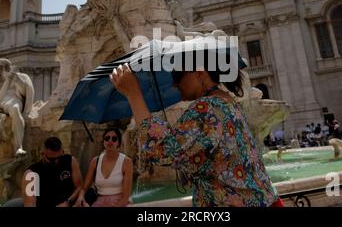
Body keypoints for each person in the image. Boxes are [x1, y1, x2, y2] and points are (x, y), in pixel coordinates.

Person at [109, 62, 283, 207]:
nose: (174, 84)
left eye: (178, 75)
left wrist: (134, 94)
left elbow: (161, 150)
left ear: (199, 73)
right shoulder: (227, 102)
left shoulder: (206, 108)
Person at [0, 58, 34, 156]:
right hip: (0, 104)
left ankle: (19, 147)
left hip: (14, 100)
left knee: (15, 110)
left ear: (3, 68)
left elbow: (26, 92)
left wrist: (16, 80)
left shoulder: (20, 76)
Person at [75, 128, 133, 207]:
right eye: (107, 138)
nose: (110, 141)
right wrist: (81, 197)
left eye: (114, 139)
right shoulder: (95, 161)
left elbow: (125, 197)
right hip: (99, 201)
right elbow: (84, 187)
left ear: (119, 143)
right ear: (103, 142)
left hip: (119, 202)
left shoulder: (126, 162)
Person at [22, 137, 83, 207]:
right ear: (42, 154)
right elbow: (30, 205)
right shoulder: (32, 174)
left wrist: (68, 202)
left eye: (59, 157)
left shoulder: (69, 161)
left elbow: (79, 187)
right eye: (52, 159)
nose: (57, 161)